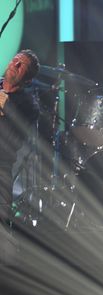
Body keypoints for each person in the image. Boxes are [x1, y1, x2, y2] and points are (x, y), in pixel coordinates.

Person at [0, 49, 40, 225]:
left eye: (21, 65)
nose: (15, 64)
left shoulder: (29, 105)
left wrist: (7, 106)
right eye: (15, 60)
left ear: (28, 79)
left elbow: (12, 137)